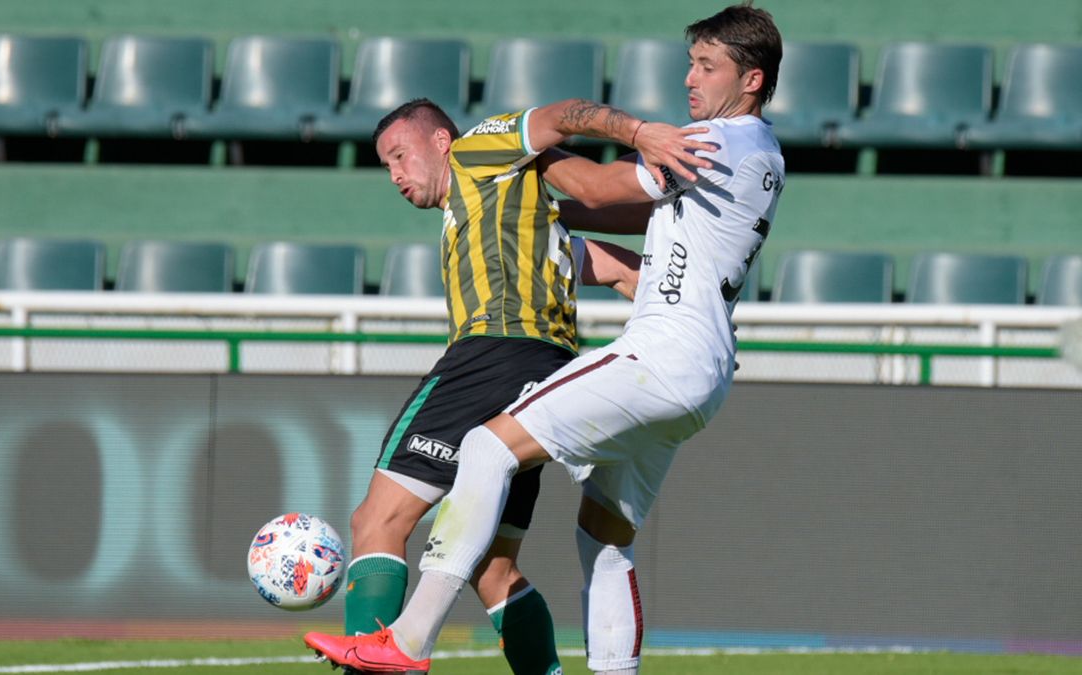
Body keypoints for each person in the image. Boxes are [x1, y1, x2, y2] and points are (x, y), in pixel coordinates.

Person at [308, 4, 783, 673]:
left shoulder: (710, 141)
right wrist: (541, 197)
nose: (690, 78)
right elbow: (620, 240)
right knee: (590, 543)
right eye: (691, 61)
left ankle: (404, 642)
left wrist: (551, 150)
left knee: (468, 456)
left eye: (707, 65)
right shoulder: (760, 153)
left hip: (626, 353)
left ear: (752, 78)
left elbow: (598, 175)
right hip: (704, 367)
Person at [335, 94, 714, 675]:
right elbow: (619, 268)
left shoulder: (475, 150)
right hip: (544, 386)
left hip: (491, 357)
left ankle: (374, 660)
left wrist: (639, 132)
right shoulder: (520, 218)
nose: (394, 174)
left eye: (398, 155)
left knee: (377, 520)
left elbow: (560, 115)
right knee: (493, 569)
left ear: (440, 141)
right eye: (386, 165)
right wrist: (697, 328)